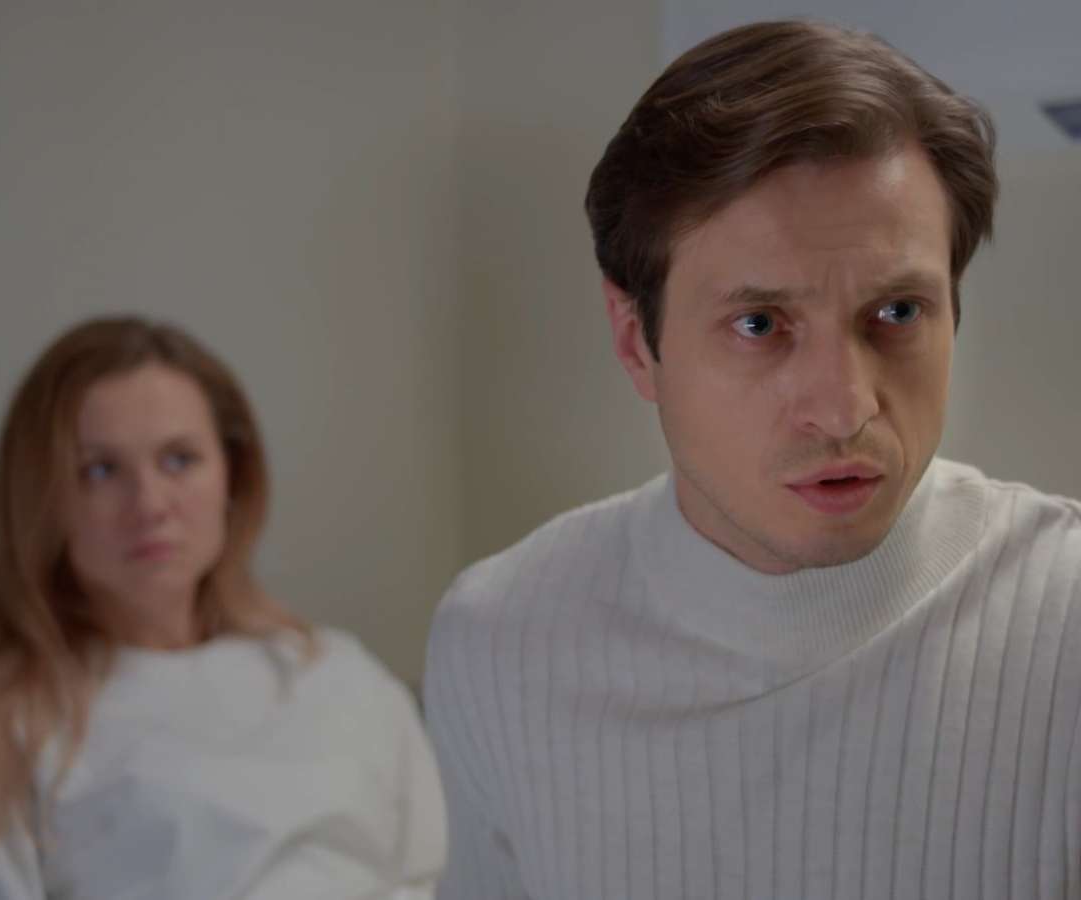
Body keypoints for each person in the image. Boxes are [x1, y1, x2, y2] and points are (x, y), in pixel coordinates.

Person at [424, 19, 1081, 900]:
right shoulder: (497, 641)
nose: (845, 408)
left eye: (897, 313)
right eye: (759, 325)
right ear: (636, 342)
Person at [0, 317, 445, 898]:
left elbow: (448, 875)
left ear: (234, 474)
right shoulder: (0, 726)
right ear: (42, 501)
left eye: (179, 460)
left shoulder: (339, 674)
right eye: (100, 470)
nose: (150, 504)